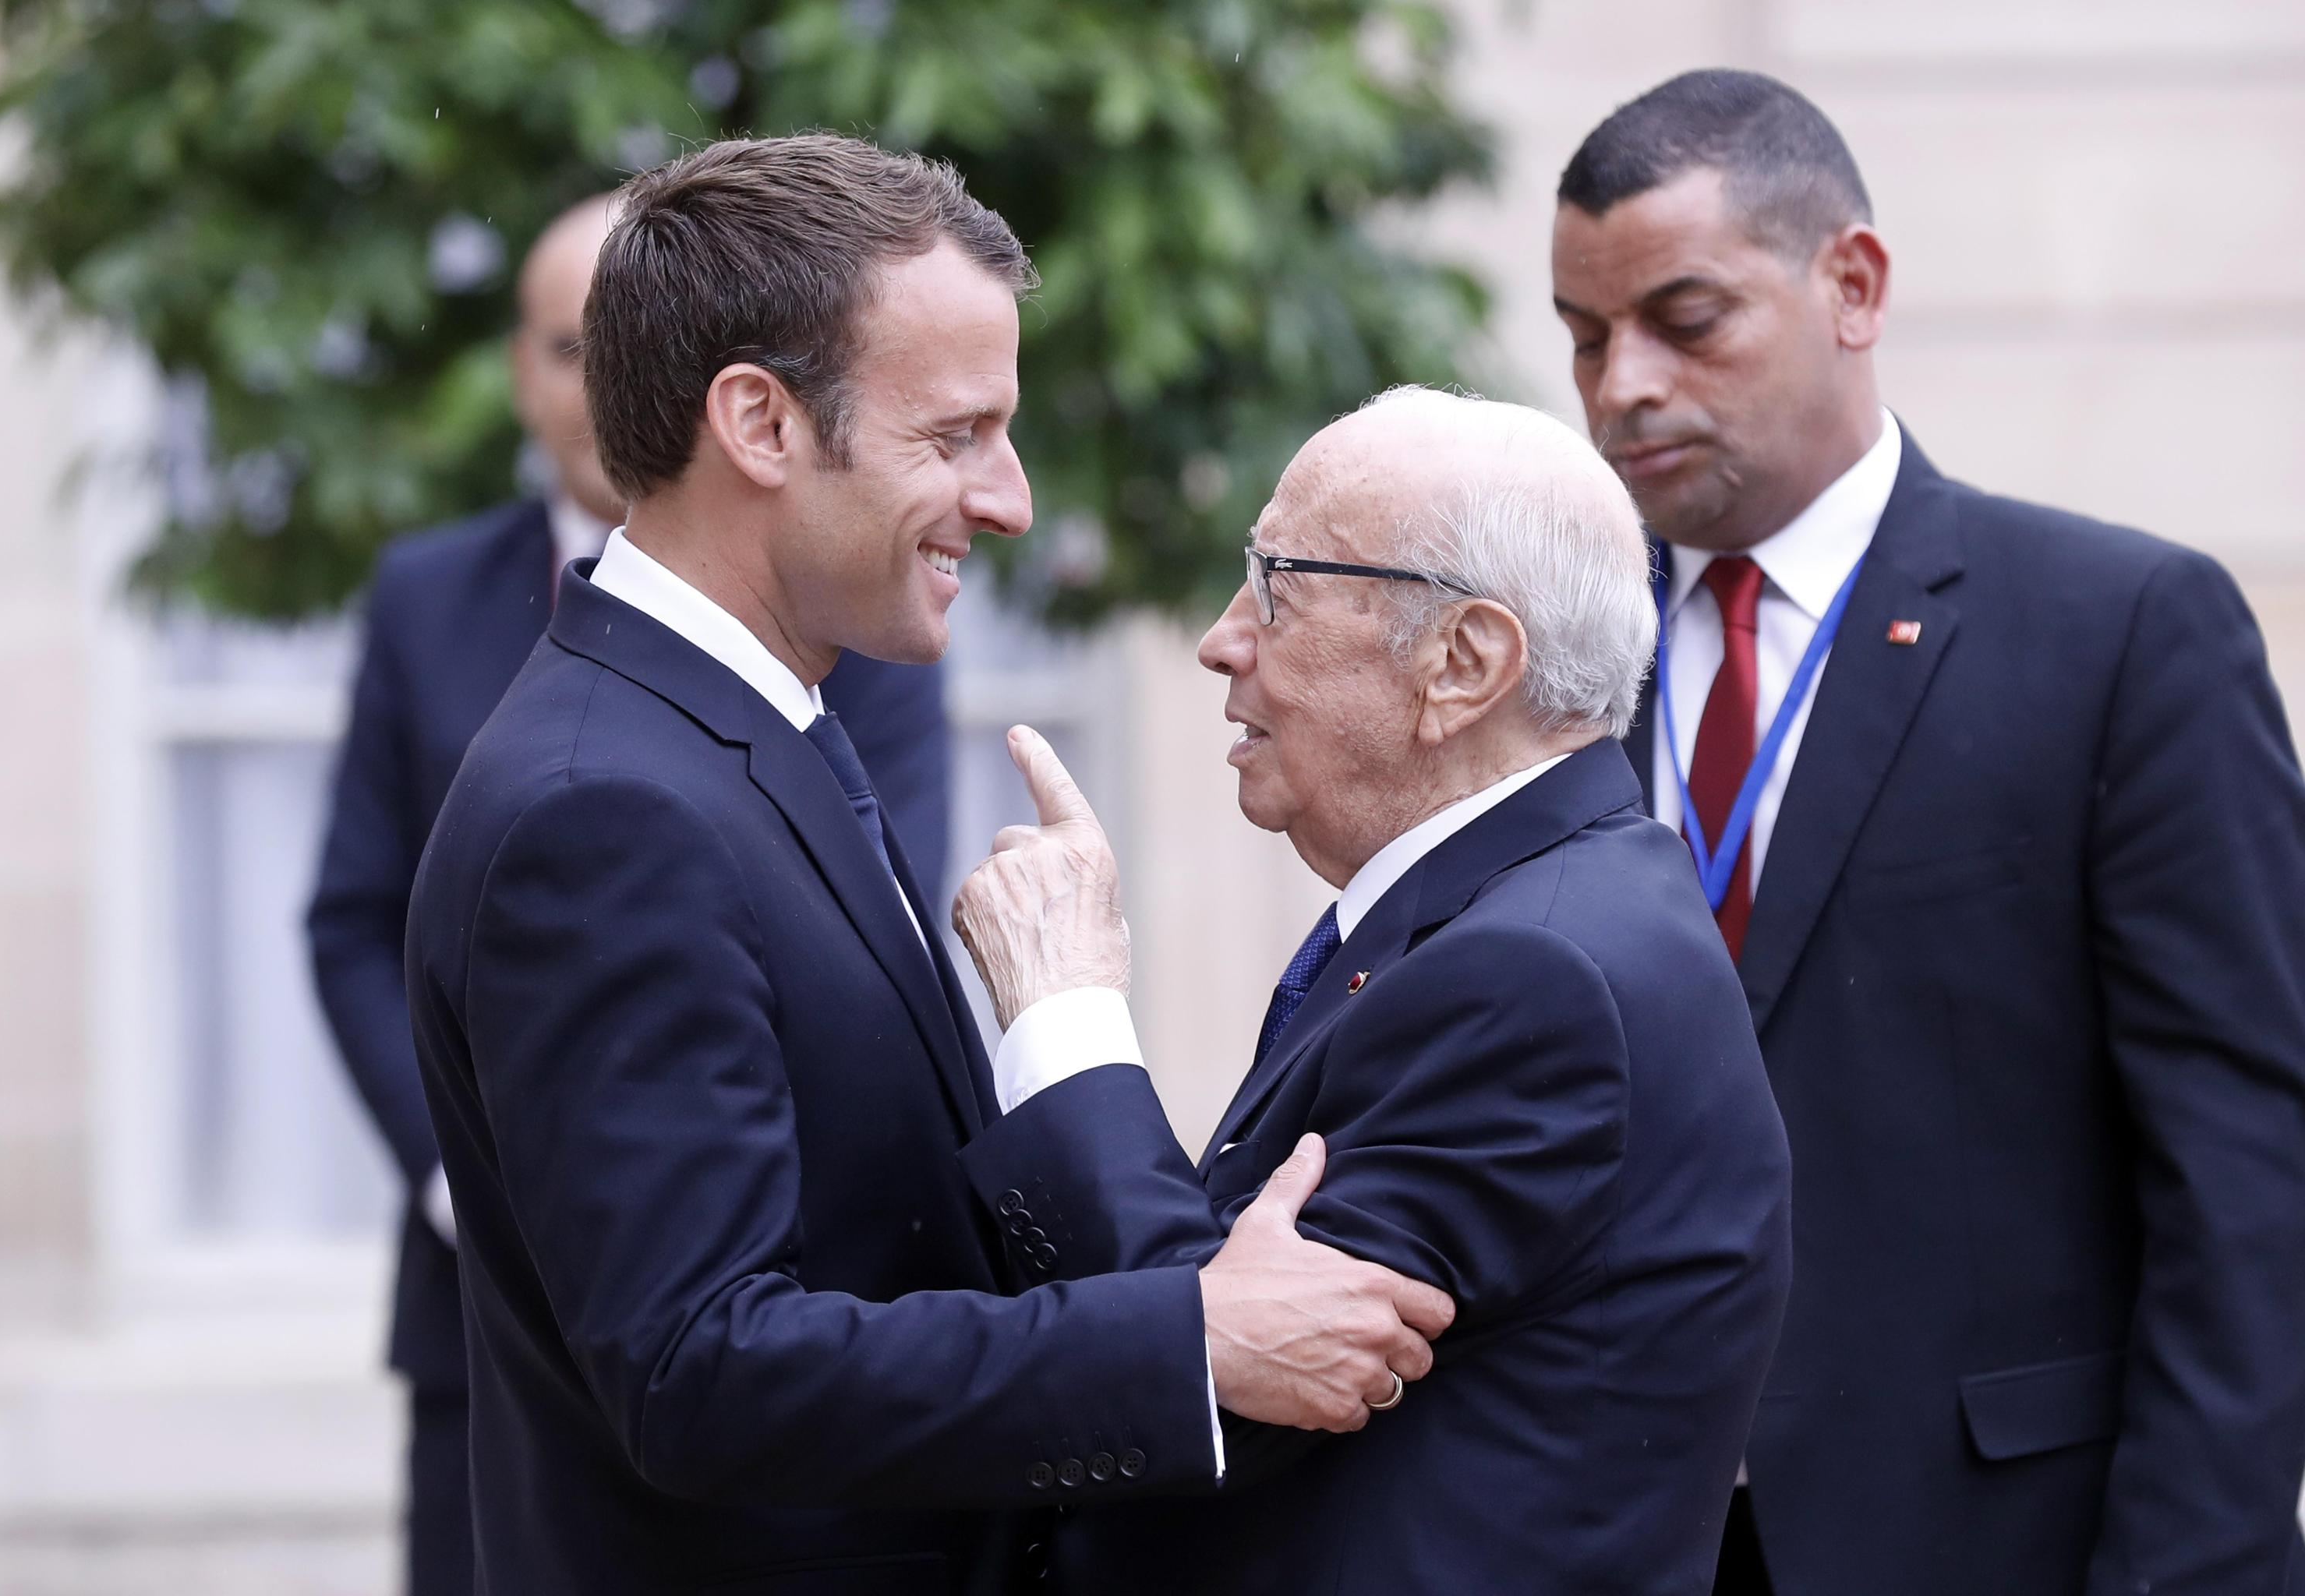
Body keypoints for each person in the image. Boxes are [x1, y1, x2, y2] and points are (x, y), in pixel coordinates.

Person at [402, 136, 1454, 1596]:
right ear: (760, 424)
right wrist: (1189, 1339)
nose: (1010, 499)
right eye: (956, 435)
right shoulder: (606, 811)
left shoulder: (733, 737)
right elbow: (699, 1370)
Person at [1550, 69, 2305, 1596]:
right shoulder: (1550, 664)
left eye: (1684, 322)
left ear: (1854, 284)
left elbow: (2249, 1182)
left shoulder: (2122, 634)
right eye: (1582, 336)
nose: (1621, 384)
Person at [951, 387, 1794, 1593]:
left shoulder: (1532, 977)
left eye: (1278, 587)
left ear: (1465, 662)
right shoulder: (1526, 909)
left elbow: (1221, 1381)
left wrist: (1064, 1015)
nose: (1222, 638)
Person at [305, 194, 957, 1595]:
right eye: (955, 437)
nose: (1001, 496)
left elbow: (855, 929)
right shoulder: (533, 711)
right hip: (567, 1335)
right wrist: (452, 1162)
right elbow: (358, 914)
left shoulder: (853, 627)